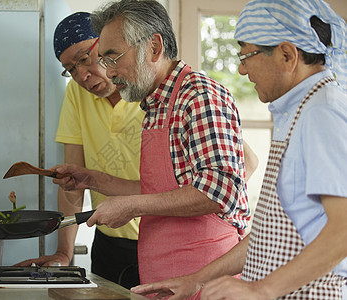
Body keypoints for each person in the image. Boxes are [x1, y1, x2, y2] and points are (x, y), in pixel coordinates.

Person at [131, 0, 347, 299]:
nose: (242, 69)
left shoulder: (322, 112)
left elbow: (343, 232)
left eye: (247, 55)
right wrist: (196, 279)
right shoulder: (300, 111)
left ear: (287, 54)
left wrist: (262, 289)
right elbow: (270, 233)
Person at [51, 0, 254, 288]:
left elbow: (221, 190)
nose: (108, 72)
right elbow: (162, 192)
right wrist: (94, 180)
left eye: (112, 57)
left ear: (154, 48)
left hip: (204, 280)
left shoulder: (198, 96)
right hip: (164, 277)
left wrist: (131, 207)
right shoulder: (155, 106)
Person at [15, 12, 145, 288]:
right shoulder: (77, 94)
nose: (82, 75)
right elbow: (72, 184)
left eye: (85, 58)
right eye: (70, 69)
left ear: (108, 45)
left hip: (162, 241)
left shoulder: (150, 86)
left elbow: (242, 164)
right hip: (108, 244)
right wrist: (64, 252)